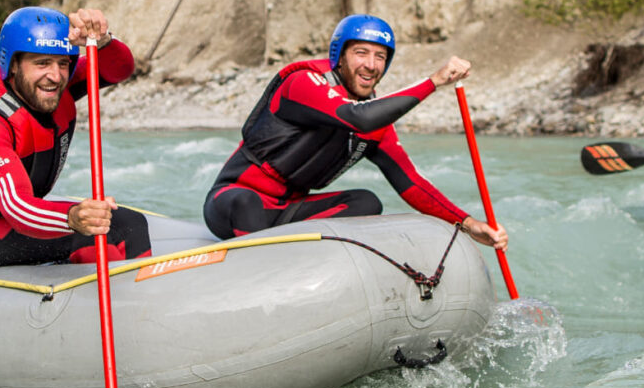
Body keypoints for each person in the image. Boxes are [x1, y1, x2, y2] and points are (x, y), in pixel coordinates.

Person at [202, 14, 509, 249]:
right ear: (341, 55)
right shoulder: (303, 83)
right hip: (232, 204)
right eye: (361, 53)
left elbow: (411, 183)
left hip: (288, 214)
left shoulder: (377, 123)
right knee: (247, 202)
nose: (371, 65)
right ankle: (257, 271)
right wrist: (433, 82)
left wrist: (468, 224)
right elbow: (355, 117)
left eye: (380, 57)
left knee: (367, 202)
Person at [0, 6, 151, 274]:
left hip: (13, 218)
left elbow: (119, 69)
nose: (54, 76)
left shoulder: (50, 82)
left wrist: (101, 40)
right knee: (94, 235)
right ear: (14, 64)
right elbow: (17, 207)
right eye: (42, 63)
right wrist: (73, 217)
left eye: (63, 63)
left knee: (130, 224)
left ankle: (140, 298)